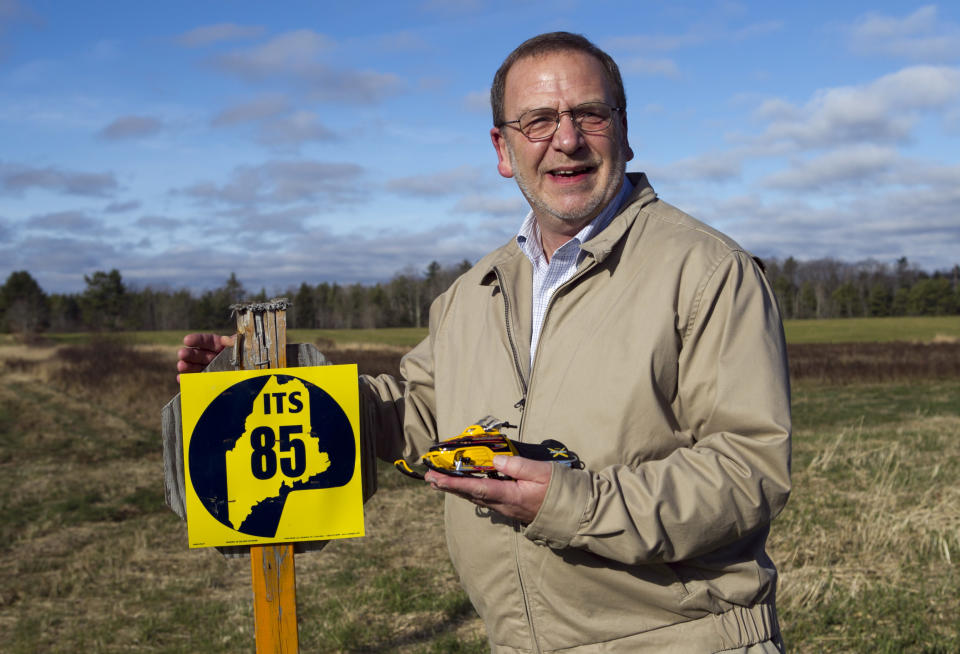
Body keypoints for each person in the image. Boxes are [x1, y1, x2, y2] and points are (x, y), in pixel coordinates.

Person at [178, 32, 791, 653]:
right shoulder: (474, 293)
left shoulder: (708, 271)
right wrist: (267, 387)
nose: (568, 139)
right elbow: (417, 414)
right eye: (538, 120)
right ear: (503, 149)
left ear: (624, 131)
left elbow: (748, 471)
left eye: (589, 114)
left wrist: (573, 502)